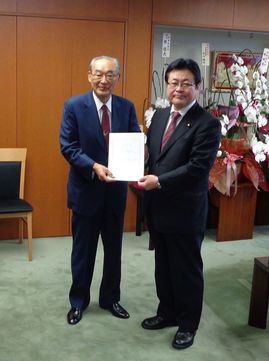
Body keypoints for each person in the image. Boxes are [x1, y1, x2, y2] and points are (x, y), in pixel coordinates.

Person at [138, 58, 221, 349]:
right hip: (158, 207)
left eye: (186, 83)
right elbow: (154, 157)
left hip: (185, 210)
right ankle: (167, 313)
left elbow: (197, 168)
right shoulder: (159, 116)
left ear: (197, 87)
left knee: (186, 269)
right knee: (163, 266)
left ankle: (188, 324)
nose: (179, 88)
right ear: (167, 84)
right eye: (174, 82)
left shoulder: (208, 124)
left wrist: (158, 181)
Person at [60, 55, 140, 325]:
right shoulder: (73, 106)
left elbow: (132, 143)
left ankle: (110, 299)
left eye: (110, 75)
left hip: (115, 193)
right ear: (89, 75)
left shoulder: (127, 108)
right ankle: (78, 302)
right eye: (98, 74)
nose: (104, 80)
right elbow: (68, 146)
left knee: (114, 250)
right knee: (83, 252)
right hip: (86, 192)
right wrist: (93, 166)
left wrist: (139, 156)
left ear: (117, 77)